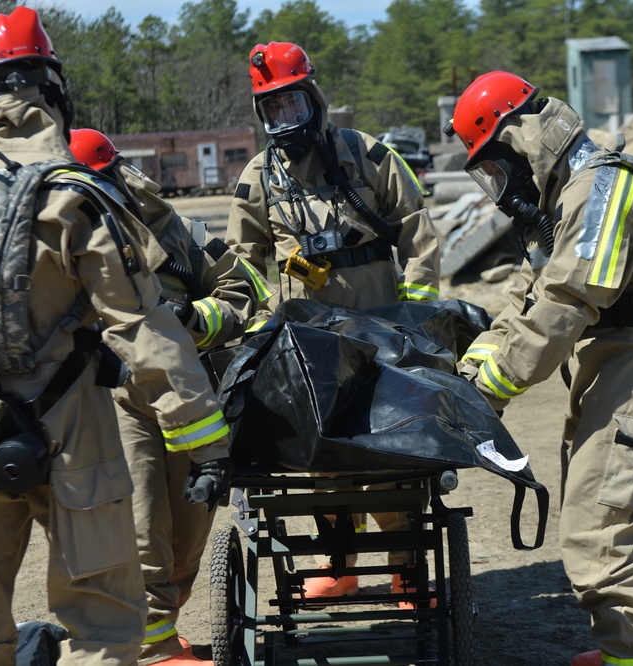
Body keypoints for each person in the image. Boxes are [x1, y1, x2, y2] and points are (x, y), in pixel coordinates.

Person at [0, 8, 231, 665]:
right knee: (104, 624)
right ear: (51, 91)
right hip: (74, 440)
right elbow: (143, 330)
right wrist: (205, 443)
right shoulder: (75, 201)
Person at [447, 71, 633, 666]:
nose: (499, 185)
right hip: (625, 364)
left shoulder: (604, 189)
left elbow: (566, 301)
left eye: (495, 166)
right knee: (614, 527)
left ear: (520, 139)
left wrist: (491, 391)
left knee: (598, 537)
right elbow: (527, 298)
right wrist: (469, 371)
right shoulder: (566, 201)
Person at [225, 41, 442, 604]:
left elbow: (419, 233)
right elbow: (240, 264)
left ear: (314, 98)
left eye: (293, 104)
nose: (285, 119)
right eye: (273, 109)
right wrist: (257, 330)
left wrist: (413, 319)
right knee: (323, 459)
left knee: (394, 451)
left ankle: (405, 571)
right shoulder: (259, 178)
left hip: (384, 339)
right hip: (311, 344)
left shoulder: (368, 156)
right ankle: (339, 564)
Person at [70, 127, 270, 665]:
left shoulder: (176, 233)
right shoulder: (56, 245)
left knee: (188, 530)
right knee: (140, 525)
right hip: (111, 401)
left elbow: (246, 290)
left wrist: (197, 319)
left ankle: (164, 624)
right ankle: (153, 646)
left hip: (185, 400)